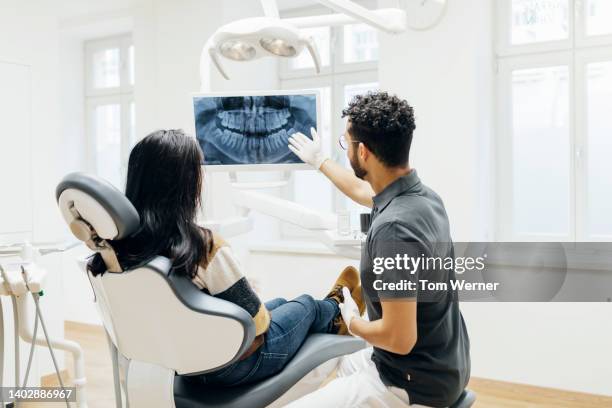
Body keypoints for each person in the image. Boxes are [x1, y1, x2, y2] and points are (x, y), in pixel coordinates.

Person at [88, 129, 365, 387]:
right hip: (236, 364)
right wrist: (250, 292)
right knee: (306, 303)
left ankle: (329, 312)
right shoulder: (202, 246)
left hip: (183, 362)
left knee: (281, 303)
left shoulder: (116, 251)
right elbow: (258, 324)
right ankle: (336, 310)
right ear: (188, 184)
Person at [286, 91, 470, 407]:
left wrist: (354, 321)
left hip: (410, 384)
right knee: (332, 361)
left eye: (346, 145)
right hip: (443, 365)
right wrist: (320, 161)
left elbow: (400, 339)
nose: (345, 152)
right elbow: (362, 190)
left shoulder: (393, 230)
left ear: (366, 153)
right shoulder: (423, 198)